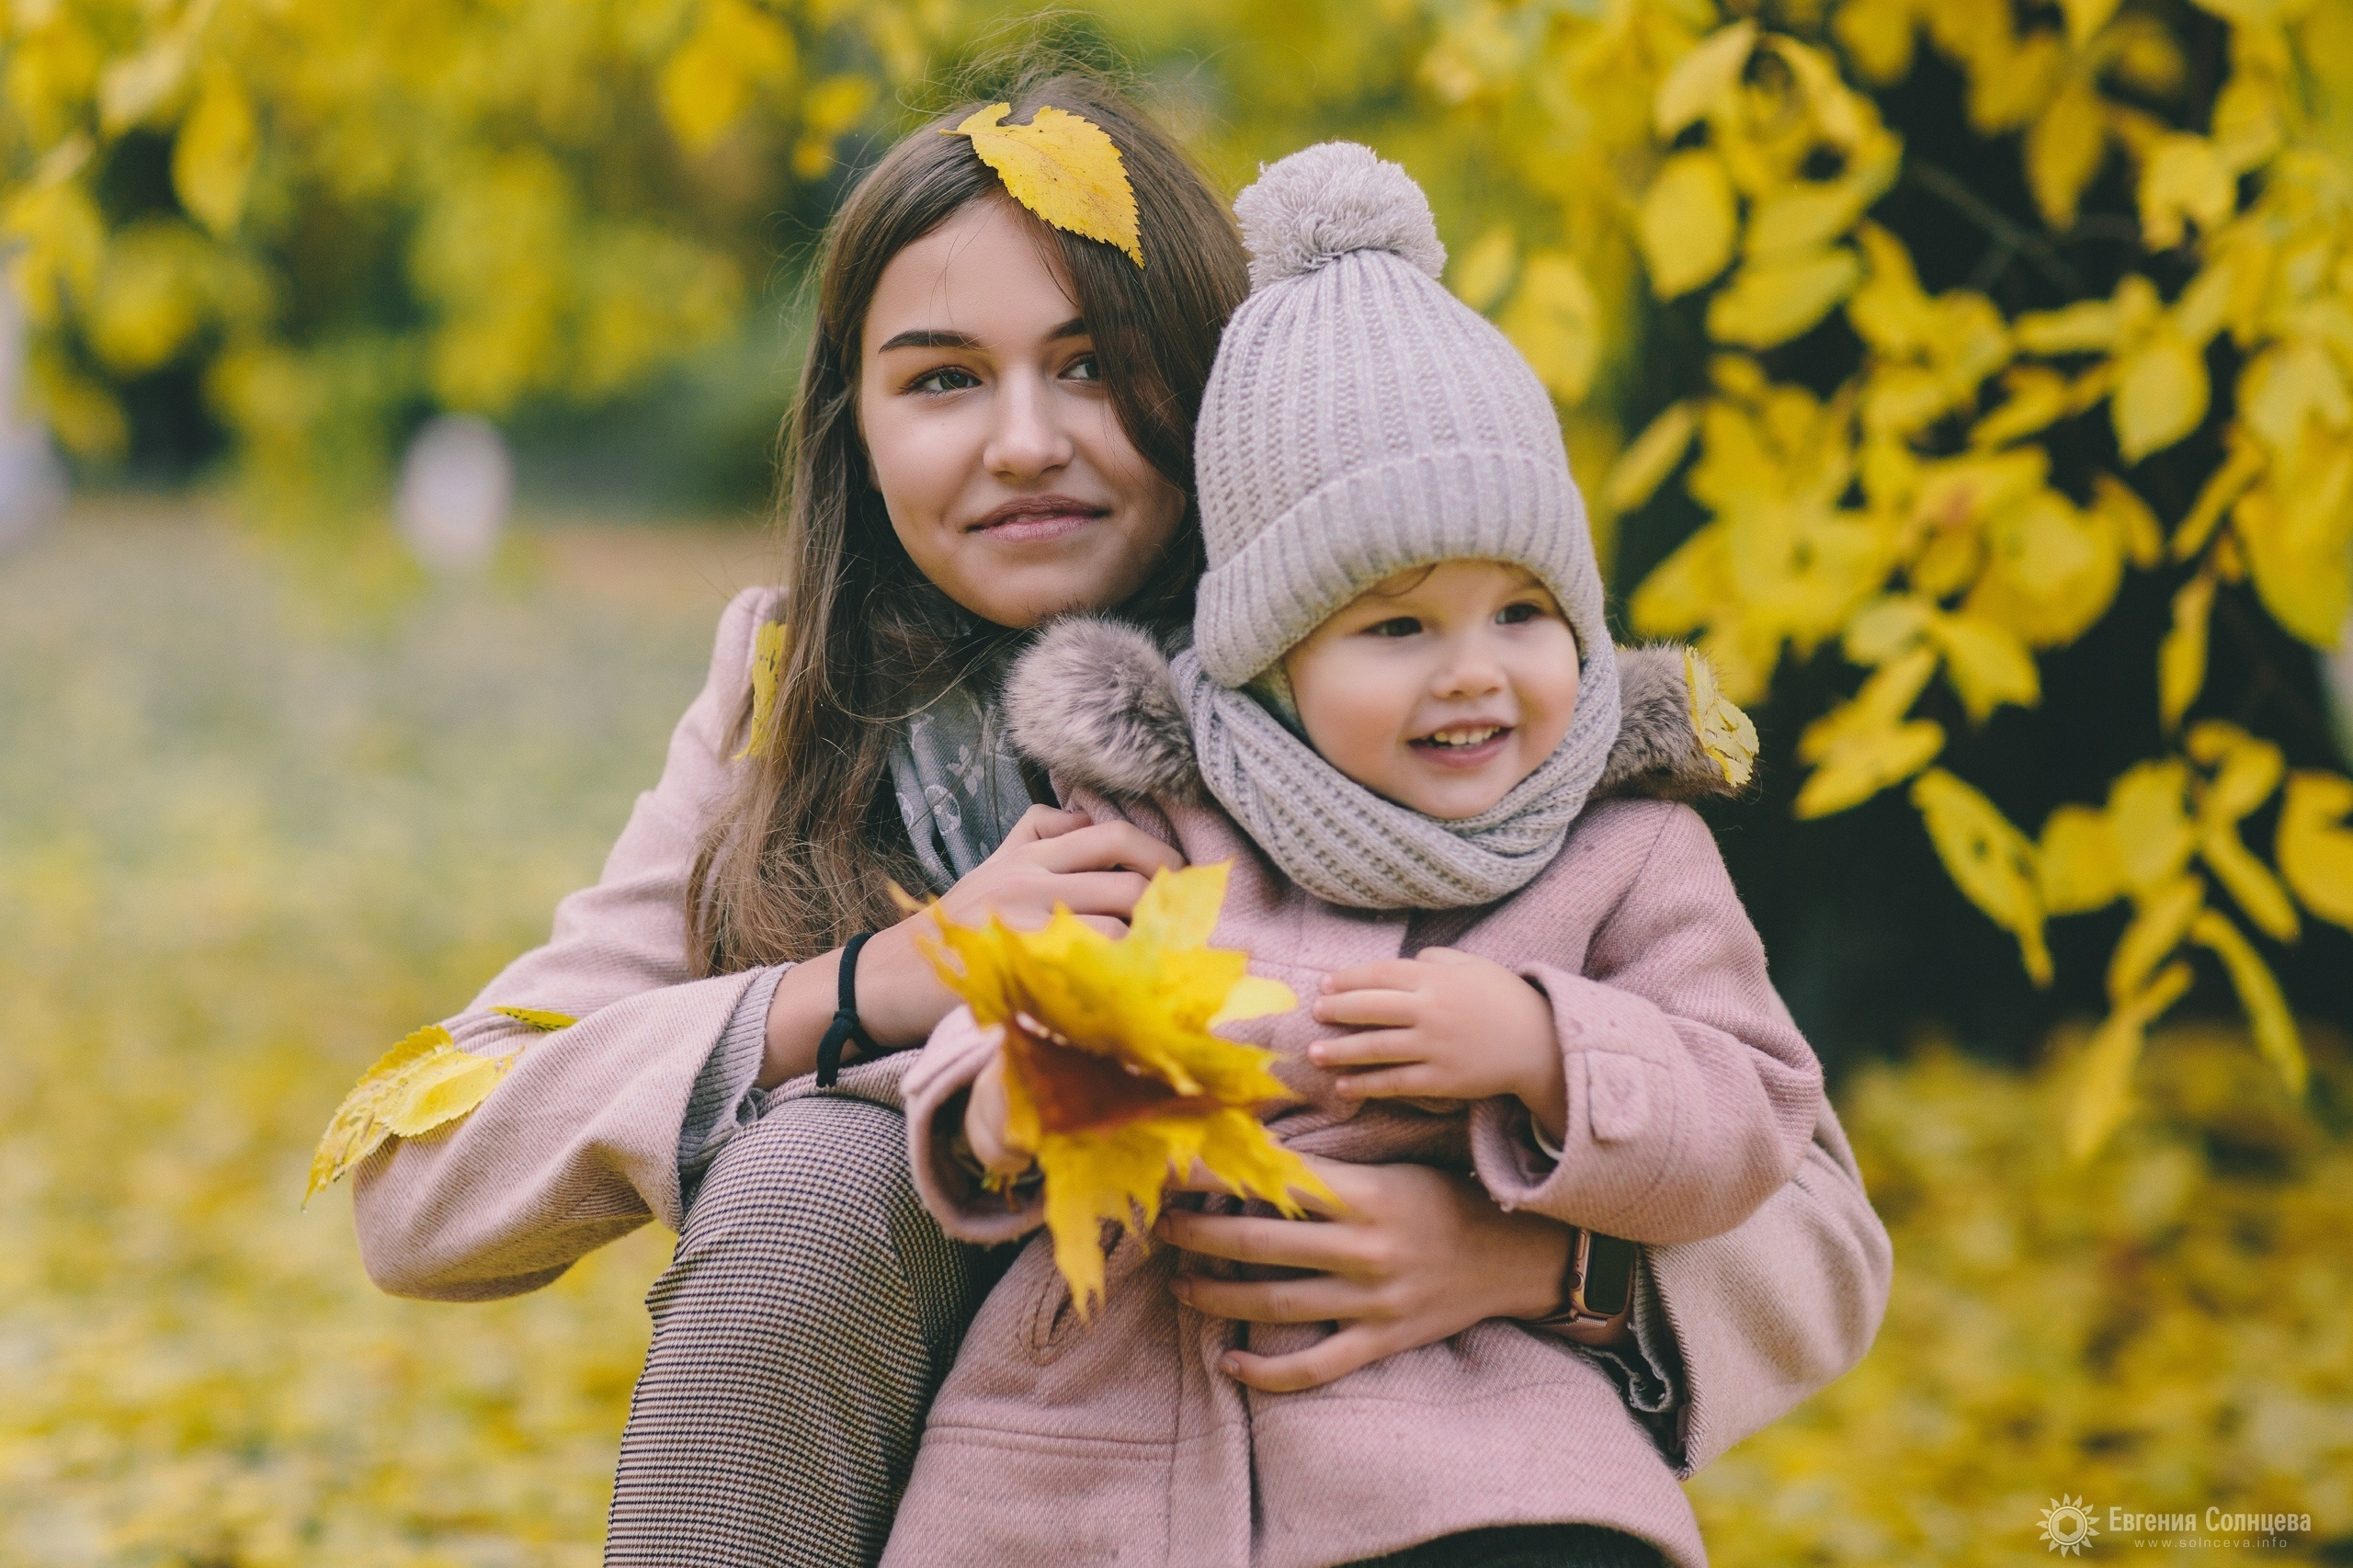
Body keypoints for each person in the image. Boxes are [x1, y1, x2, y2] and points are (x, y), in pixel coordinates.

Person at [347, 68, 1891, 1568]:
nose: (1023, 439)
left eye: (1089, 365)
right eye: (944, 377)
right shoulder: (796, 709)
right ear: (856, 426)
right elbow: (424, 1184)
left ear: (1213, 384)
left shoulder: (1421, 693)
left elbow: (1810, 1215)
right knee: (821, 1170)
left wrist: (1532, 1259)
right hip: (985, 1488)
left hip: (1373, 1466)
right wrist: (884, 985)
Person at [887, 142, 1823, 1568]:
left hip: (1471, 1442)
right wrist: (1017, 1103)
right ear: (1270, 666)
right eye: (1395, 629)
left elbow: (1753, 1114)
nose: (1474, 675)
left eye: (1522, 613)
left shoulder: (1630, 849)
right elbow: (1009, 1017)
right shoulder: (1159, 820)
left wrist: (1547, 1044)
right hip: (1104, 1440)